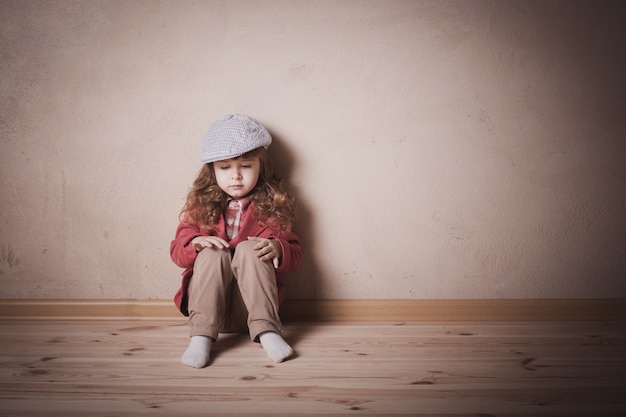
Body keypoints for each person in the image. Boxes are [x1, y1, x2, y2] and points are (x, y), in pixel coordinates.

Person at [170, 114, 303, 368]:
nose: (236, 176)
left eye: (245, 166)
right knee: (212, 252)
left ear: (261, 166)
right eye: (225, 167)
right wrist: (196, 243)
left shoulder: (272, 206)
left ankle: (269, 333)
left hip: (252, 309)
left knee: (249, 248)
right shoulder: (200, 205)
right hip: (209, 310)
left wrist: (278, 248)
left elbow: (296, 253)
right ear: (212, 170)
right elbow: (177, 251)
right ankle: (199, 338)